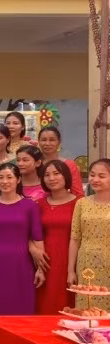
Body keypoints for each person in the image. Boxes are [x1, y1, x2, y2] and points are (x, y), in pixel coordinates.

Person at [0, 163, 46, 315]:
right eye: (0, 177)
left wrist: (41, 269)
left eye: (9, 177)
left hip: (22, 263)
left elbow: (38, 238)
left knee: (21, 304)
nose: (5, 181)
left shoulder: (30, 206)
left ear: (18, 179)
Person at [36, 160, 80, 314]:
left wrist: (72, 269)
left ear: (66, 176)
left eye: (56, 173)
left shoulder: (80, 203)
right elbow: (31, 233)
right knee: (44, 304)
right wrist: (33, 249)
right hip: (44, 261)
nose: (51, 178)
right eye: (47, 175)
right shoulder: (39, 204)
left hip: (70, 260)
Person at [68, 159, 110, 311]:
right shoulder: (82, 203)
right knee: (88, 310)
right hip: (86, 265)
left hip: (108, 262)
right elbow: (75, 238)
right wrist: (70, 271)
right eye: (92, 175)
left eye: (101, 176)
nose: (95, 179)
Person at [38, 127, 84, 197]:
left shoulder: (69, 165)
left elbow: (77, 193)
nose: (47, 143)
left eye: (52, 140)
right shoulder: (34, 164)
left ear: (59, 142)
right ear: (38, 141)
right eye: (44, 140)